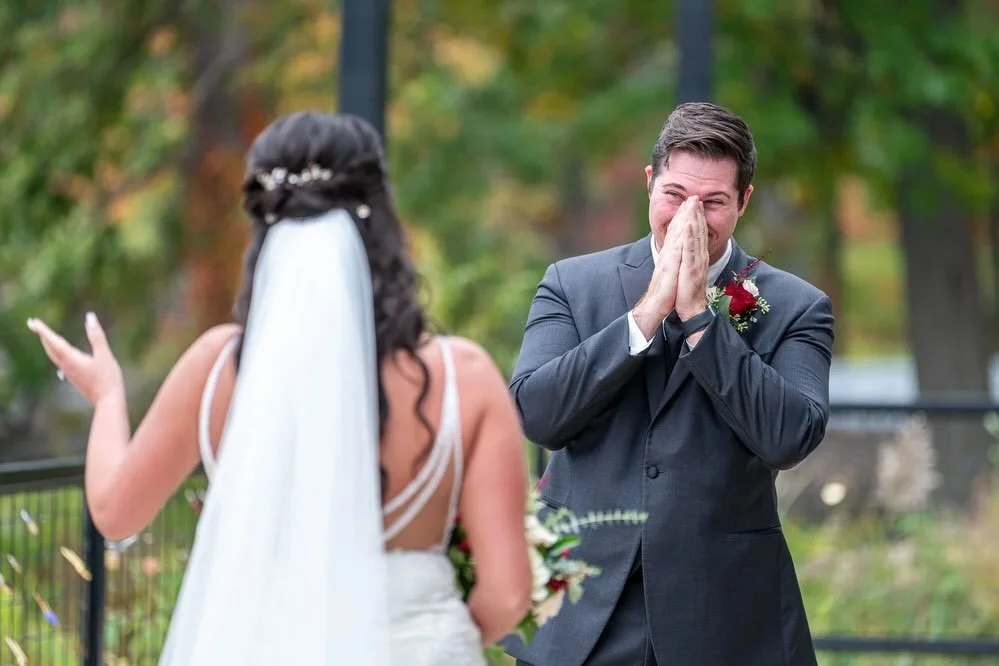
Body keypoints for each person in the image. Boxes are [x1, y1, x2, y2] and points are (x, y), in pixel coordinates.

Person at [28, 111, 532, 665]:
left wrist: (107, 397)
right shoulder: (464, 378)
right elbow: (508, 594)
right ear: (382, 220)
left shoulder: (217, 369)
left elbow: (113, 512)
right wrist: (429, 637)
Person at [503, 102, 834, 666]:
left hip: (725, 618)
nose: (691, 217)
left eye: (714, 202)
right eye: (676, 195)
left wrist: (702, 320)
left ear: (744, 202)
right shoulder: (571, 284)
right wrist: (647, 313)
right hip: (580, 612)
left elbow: (789, 438)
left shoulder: (797, 306)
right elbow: (538, 414)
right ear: (649, 182)